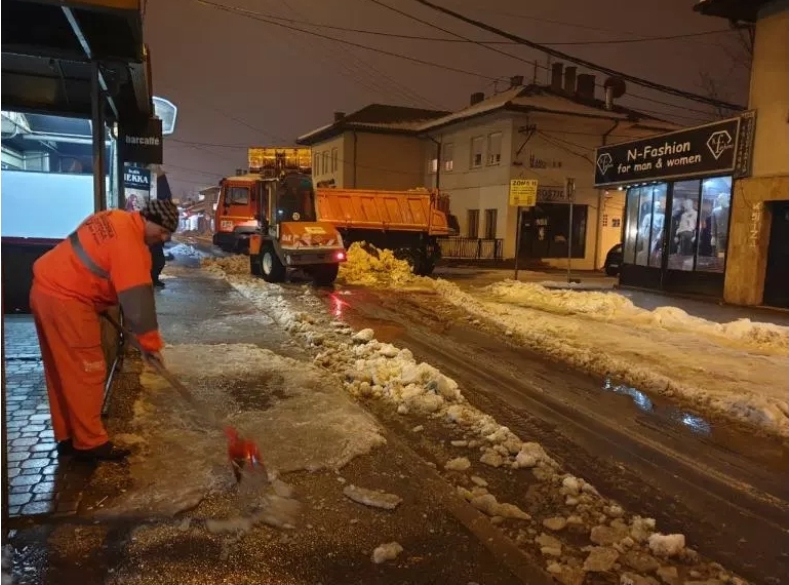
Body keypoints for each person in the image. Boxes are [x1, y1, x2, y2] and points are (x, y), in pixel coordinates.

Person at [30, 200, 179, 461]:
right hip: (68, 301)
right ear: (148, 218)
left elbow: (91, 257)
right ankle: (90, 443)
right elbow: (139, 306)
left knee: (62, 371)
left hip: (45, 290)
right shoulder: (131, 245)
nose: (164, 237)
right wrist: (150, 347)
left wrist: (97, 295)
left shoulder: (112, 217)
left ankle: (68, 436)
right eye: (164, 230)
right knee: (87, 370)